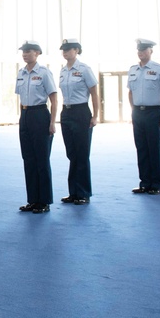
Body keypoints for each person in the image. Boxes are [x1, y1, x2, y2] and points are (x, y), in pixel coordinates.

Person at [14, 41, 58, 213]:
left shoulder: (44, 73)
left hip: (40, 114)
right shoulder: (21, 73)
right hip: (25, 116)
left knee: (42, 160)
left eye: (29, 51)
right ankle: (33, 199)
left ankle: (44, 201)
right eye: (23, 52)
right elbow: (20, 99)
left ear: (37, 53)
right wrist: (21, 118)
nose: (25, 54)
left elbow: (54, 99)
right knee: (28, 160)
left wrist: (52, 122)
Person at [126, 38, 160, 194]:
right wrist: (133, 110)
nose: (141, 52)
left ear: (151, 51)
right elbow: (130, 92)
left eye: (144, 50)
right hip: (138, 114)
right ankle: (145, 182)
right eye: (139, 50)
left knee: (154, 149)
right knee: (141, 148)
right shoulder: (133, 70)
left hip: (154, 113)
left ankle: (157, 184)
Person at [57, 38, 99, 205]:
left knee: (82, 154)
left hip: (81, 111)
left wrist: (95, 116)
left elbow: (94, 93)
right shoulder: (63, 71)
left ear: (77, 50)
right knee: (72, 154)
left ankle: (83, 193)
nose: (65, 52)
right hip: (66, 112)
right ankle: (73, 192)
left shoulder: (84, 69)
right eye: (63, 49)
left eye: (68, 49)